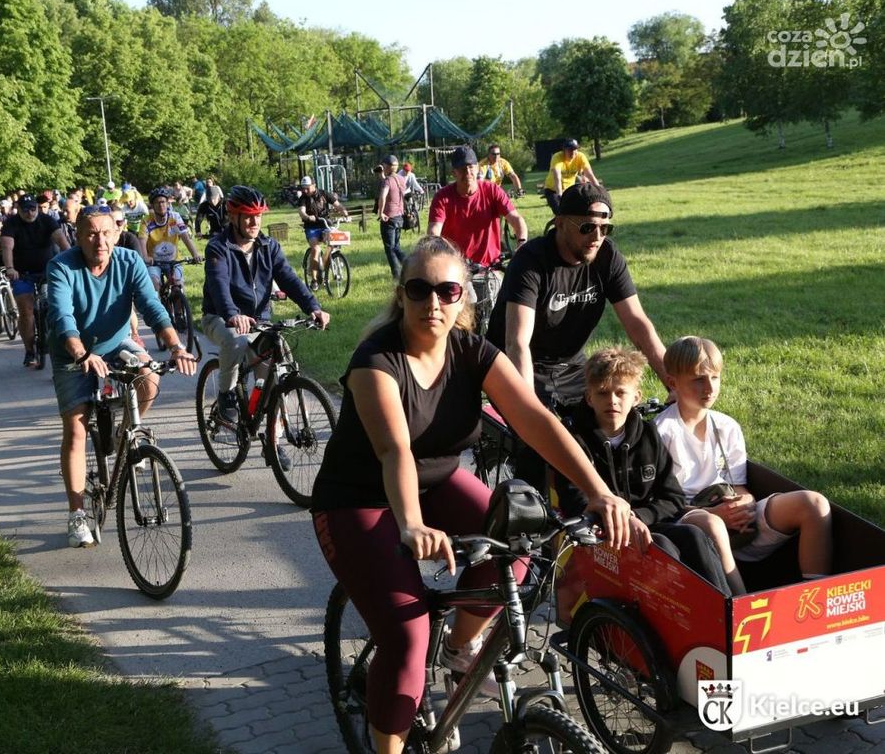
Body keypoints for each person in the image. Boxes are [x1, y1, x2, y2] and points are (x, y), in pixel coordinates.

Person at [310, 237, 633, 754]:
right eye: (419, 289)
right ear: (401, 294)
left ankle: (459, 652)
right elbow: (395, 453)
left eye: (446, 290)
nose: (432, 302)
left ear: (464, 298)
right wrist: (411, 525)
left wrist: (599, 493)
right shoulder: (376, 362)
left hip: (435, 482)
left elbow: (535, 419)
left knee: (522, 548)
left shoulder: (472, 351)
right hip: (359, 501)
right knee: (407, 638)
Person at [47, 204, 197, 548]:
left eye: (106, 233)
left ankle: (125, 433)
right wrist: (82, 353)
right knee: (76, 428)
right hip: (72, 351)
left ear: (116, 232)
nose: (100, 241)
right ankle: (77, 515)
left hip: (116, 342)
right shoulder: (62, 267)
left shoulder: (129, 261)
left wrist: (175, 347)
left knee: (150, 378)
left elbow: (151, 306)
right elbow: (62, 317)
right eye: (91, 234)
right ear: (78, 236)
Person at [655, 336, 832, 595]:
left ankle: (815, 597)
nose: (709, 388)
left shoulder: (727, 426)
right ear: (673, 383)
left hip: (733, 520)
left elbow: (739, 486)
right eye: (698, 379)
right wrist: (717, 515)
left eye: (715, 378)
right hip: (688, 521)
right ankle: (742, 608)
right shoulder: (661, 432)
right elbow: (662, 504)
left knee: (813, 503)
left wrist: (744, 504)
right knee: (712, 525)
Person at [555, 347, 732, 595]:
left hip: (646, 524)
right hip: (602, 534)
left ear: (636, 397)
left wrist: (639, 517)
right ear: (589, 398)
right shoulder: (573, 440)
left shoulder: (648, 435)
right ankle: (685, 616)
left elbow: (673, 498)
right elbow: (574, 500)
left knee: (693, 535)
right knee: (660, 547)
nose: (612, 401)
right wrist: (623, 521)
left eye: (620, 393)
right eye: (603, 393)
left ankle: (728, 608)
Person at [488, 182, 666, 409]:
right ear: (560, 223)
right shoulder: (530, 261)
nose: (597, 236)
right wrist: (529, 412)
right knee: (546, 440)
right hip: (517, 367)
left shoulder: (608, 258)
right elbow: (517, 343)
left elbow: (638, 325)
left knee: (616, 425)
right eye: (587, 227)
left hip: (573, 370)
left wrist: (674, 385)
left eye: (605, 228)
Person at [201, 185, 330, 427]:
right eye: (248, 216)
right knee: (235, 340)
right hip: (219, 317)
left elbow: (289, 280)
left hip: (259, 320)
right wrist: (232, 315)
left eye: (258, 216)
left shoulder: (269, 246)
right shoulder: (218, 247)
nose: (254, 222)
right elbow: (218, 287)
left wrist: (313, 307)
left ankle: (274, 440)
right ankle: (226, 395)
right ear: (233, 216)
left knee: (277, 372)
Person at [427, 145, 527, 270]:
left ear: (478, 168)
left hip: (490, 267)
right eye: (462, 169)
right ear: (454, 173)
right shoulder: (442, 197)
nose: (468, 172)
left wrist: (522, 243)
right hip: (457, 269)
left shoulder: (493, 191)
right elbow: (434, 232)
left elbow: (516, 218)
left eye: (471, 167)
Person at [1, 193, 71, 368]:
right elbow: (7, 246)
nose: (30, 213)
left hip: (47, 270)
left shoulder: (47, 220)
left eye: (33, 209)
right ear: (18, 210)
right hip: (21, 273)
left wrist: (71, 261)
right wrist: (10, 268)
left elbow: (62, 242)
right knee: (26, 310)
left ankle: (59, 340)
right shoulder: (11, 223)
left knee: (56, 305)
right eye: (26, 210)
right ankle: (29, 350)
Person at [142, 186, 201, 293]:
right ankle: (157, 308)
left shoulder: (175, 217)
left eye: (163, 202)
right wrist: (145, 257)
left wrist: (195, 254)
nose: (161, 205)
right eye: (157, 203)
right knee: (154, 285)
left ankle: (179, 310)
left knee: (178, 285)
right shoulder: (146, 221)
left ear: (168, 203)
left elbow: (185, 238)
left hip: (173, 260)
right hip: (154, 262)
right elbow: (142, 241)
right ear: (152, 205)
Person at [296, 175, 350, 289]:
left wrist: (345, 213)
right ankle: (314, 279)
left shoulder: (324, 194)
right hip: (311, 227)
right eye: (303, 188)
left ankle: (324, 264)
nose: (305, 190)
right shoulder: (303, 198)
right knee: (316, 249)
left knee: (333, 243)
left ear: (314, 185)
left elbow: (337, 205)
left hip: (326, 224)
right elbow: (301, 211)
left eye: (307, 187)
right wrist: (307, 217)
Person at [542, 138, 598, 215]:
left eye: (575, 149)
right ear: (564, 150)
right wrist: (559, 195)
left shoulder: (580, 157)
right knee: (560, 212)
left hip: (569, 189)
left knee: (578, 210)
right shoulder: (557, 157)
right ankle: (559, 224)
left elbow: (590, 175)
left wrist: (599, 190)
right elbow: (557, 177)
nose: (573, 152)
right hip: (553, 190)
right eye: (570, 150)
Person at [375, 154, 407, 278]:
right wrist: (382, 176)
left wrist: (381, 212)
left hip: (389, 217)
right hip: (399, 217)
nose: (383, 167)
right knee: (396, 246)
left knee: (390, 248)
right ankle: (409, 266)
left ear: (387, 166)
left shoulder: (388, 181)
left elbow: (383, 196)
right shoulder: (401, 179)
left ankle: (397, 275)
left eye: (384, 165)